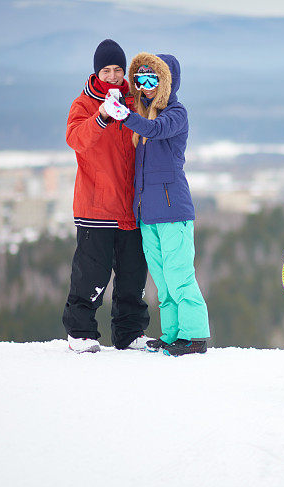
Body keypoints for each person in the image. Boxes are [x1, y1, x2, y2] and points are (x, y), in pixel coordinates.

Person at [102, 52, 210, 356]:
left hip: (173, 210)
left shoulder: (175, 113)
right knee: (163, 280)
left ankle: (195, 336)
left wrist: (125, 115)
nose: (145, 86)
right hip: (148, 214)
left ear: (166, 82)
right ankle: (173, 333)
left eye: (152, 79)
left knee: (179, 276)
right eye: (140, 79)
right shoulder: (142, 112)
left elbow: (156, 130)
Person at [62, 39, 152, 353]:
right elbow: (75, 139)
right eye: (106, 69)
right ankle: (80, 333)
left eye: (117, 69)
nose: (113, 75)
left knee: (132, 275)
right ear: (97, 71)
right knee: (91, 275)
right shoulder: (83, 104)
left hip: (130, 206)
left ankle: (129, 334)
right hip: (96, 206)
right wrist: (101, 116)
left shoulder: (135, 100)